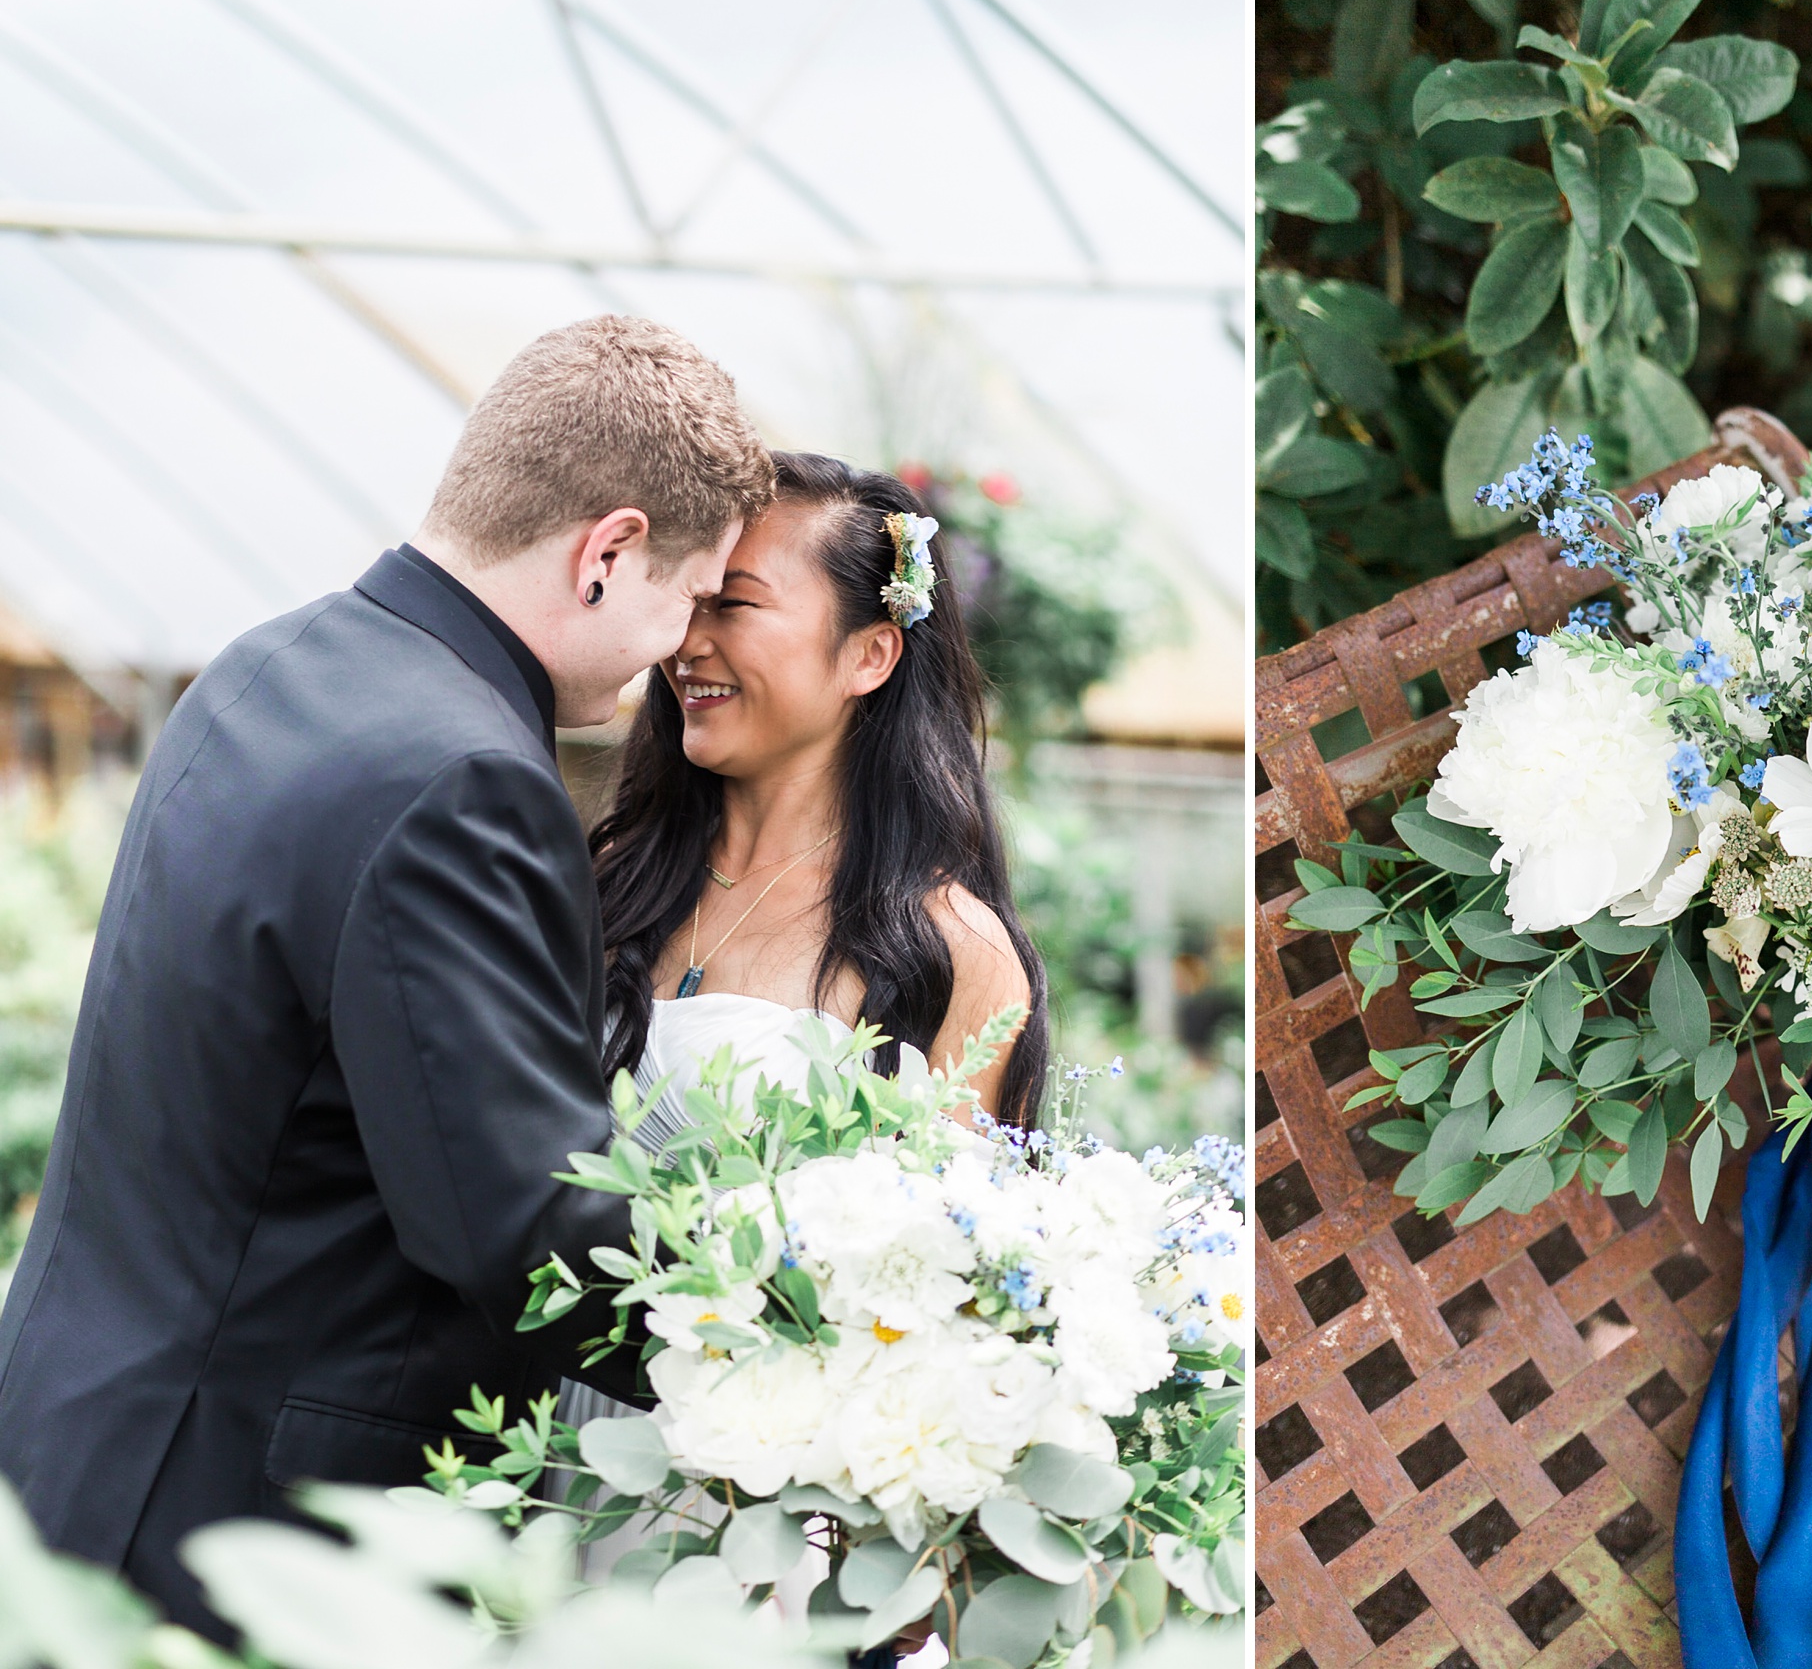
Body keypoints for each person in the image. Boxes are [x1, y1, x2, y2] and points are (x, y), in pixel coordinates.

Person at [0, 315, 775, 1641]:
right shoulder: (464, 778)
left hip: (75, 1438)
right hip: (226, 1525)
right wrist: (809, 1349)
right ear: (608, 553)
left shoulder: (269, 662)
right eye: (689, 595)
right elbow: (524, 1228)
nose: (682, 644)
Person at [591, 450, 1048, 1160]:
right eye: (689, 600)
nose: (687, 641)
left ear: (870, 655)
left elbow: (970, 1247)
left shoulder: (952, 947)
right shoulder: (609, 878)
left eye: (734, 604)